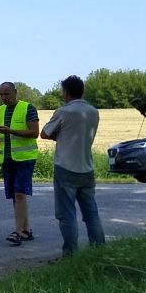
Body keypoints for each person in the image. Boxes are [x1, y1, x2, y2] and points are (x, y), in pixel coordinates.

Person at [40, 75, 106, 256]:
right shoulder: (93, 111)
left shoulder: (64, 112)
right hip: (87, 167)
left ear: (66, 92)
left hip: (65, 167)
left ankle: (70, 253)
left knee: (66, 214)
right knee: (91, 213)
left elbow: (44, 133)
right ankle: (99, 249)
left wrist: (58, 136)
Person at [0, 82, 40, 245]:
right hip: (7, 158)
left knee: (20, 194)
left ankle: (17, 232)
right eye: (2, 95)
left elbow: (34, 132)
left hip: (25, 158)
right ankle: (26, 230)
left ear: (15, 92)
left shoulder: (28, 108)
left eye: (7, 94)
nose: (4, 98)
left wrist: (9, 130)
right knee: (15, 195)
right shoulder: (0, 110)